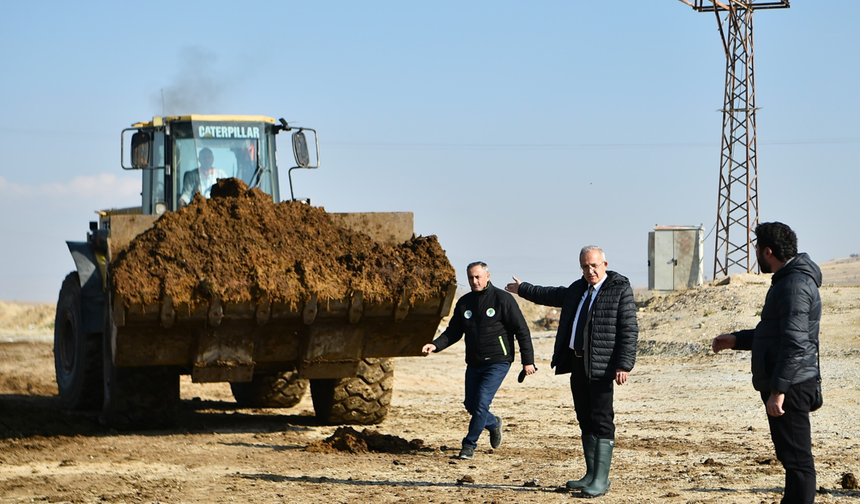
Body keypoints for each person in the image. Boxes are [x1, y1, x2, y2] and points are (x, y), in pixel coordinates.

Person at [505, 246, 638, 498]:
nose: (590, 271)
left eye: (594, 266)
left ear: (605, 264)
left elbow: (629, 329)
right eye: (585, 267)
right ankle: (590, 474)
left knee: (601, 420)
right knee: (584, 419)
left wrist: (624, 364)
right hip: (577, 364)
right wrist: (523, 289)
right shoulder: (578, 289)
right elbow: (552, 294)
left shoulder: (619, 290)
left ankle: (601, 479)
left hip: (602, 366)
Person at [712, 222, 821, 504]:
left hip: (792, 385)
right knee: (791, 458)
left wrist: (778, 390)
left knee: (798, 461)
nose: (755, 253)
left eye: (757, 248)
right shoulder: (788, 281)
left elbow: (794, 343)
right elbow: (776, 334)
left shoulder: (794, 285)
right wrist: (736, 339)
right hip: (790, 381)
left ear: (768, 251)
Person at [422, 261, 536, 460]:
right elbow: (454, 331)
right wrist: (435, 345)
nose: (474, 281)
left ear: (487, 276)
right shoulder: (464, 303)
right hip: (474, 362)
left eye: (478, 277)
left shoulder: (503, 299)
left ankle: (469, 445)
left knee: (482, 402)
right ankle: (493, 423)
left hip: (498, 360)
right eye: (471, 278)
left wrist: (528, 361)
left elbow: (522, 331)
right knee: (471, 404)